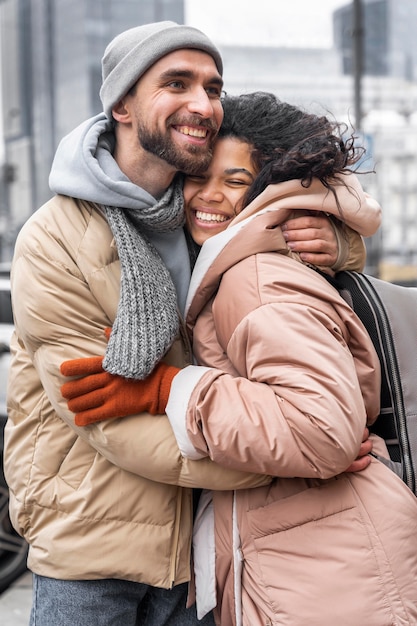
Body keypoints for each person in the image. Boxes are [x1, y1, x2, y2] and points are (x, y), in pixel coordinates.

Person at [4, 22, 366, 626]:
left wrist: (339, 242)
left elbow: (293, 193)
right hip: (93, 553)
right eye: (177, 83)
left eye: (213, 86)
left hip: (200, 553)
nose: (203, 103)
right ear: (121, 103)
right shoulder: (56, 237)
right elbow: (110, 422)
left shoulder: (197, 209)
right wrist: (303, 457)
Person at [61, 93, 417, 626]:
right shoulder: (227, 264)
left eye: (233, 181)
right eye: (200, 175)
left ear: (264, 190)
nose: (208, 196)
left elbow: (321, 429)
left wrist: (173, 391)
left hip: (329, 566)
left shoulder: (254, 278)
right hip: (306, 551)